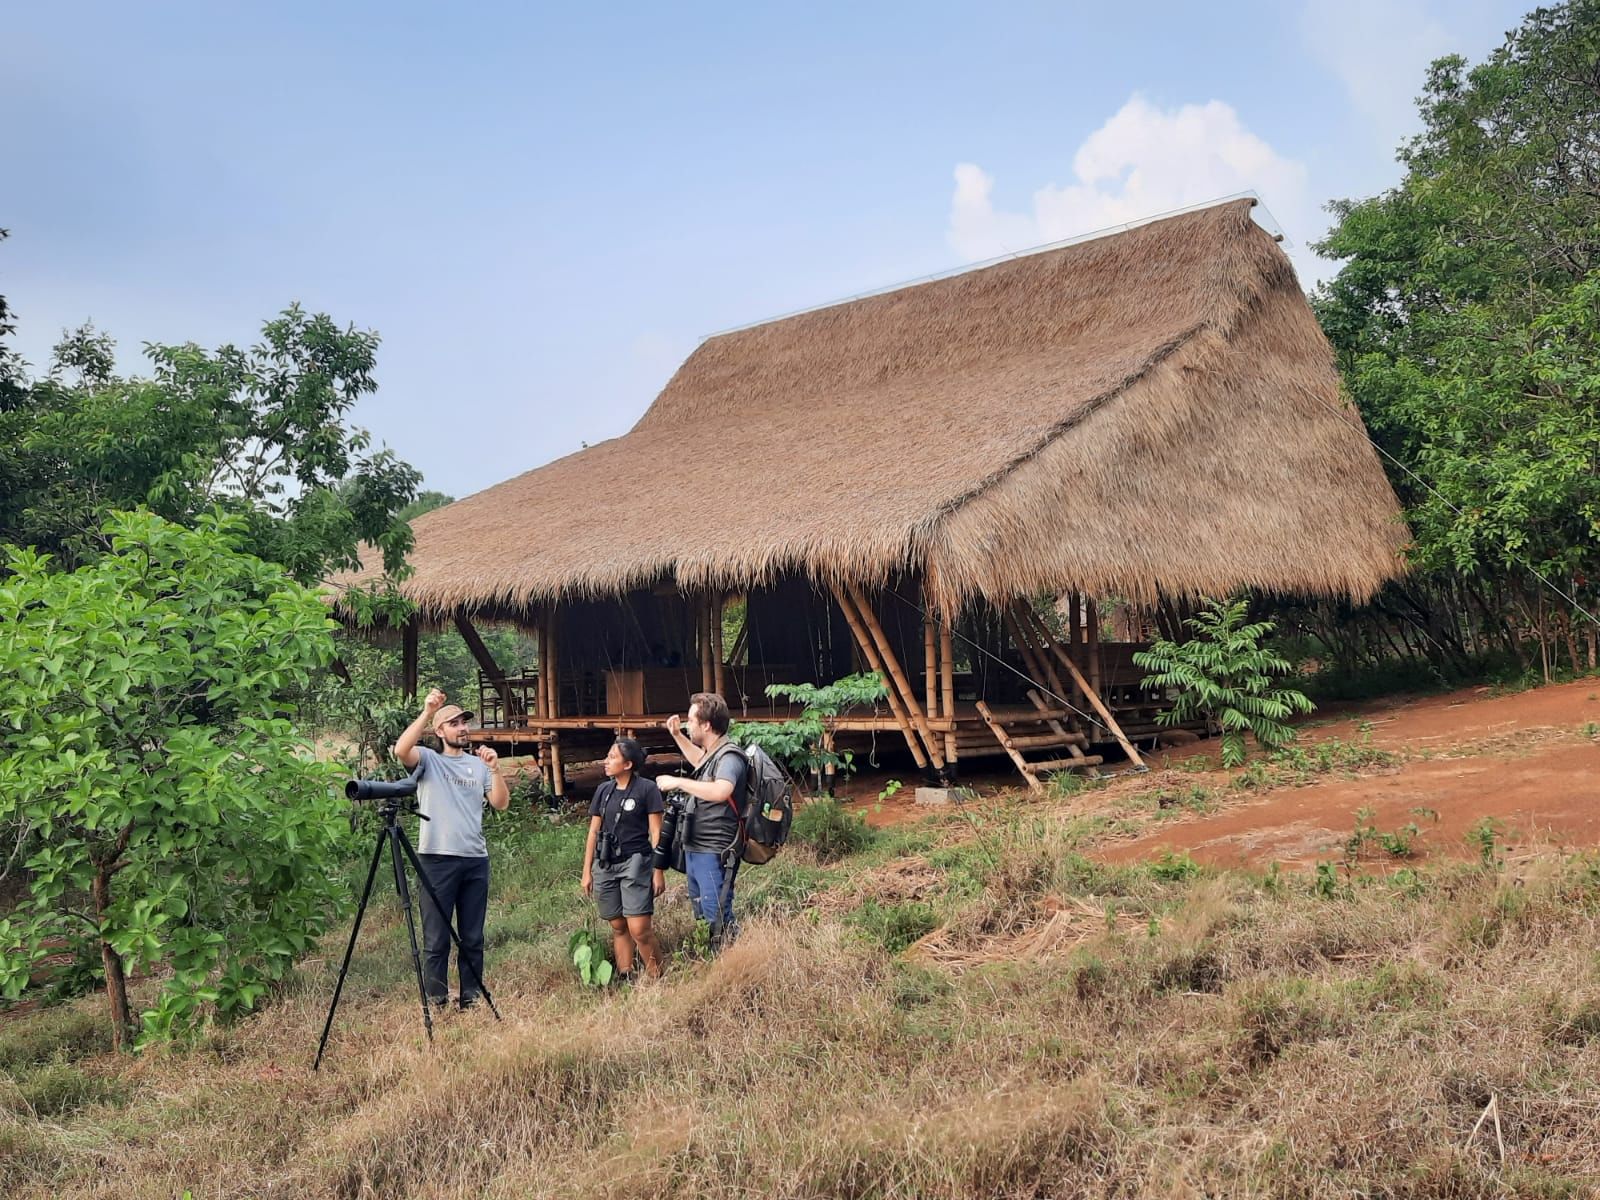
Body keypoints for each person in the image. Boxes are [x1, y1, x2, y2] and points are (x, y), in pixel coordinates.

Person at [393, 687, 510, 1010]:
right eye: (454, 723)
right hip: (436, 859)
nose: (462, 728)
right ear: (440, 732)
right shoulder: (429, 760)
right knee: (437, 939)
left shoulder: (479, 765)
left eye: (464, 722)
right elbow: (401, 750)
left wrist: (496, 770)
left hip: (474, 859)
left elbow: (500, 804)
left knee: (472, 937)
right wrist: (428, 711)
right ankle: (437, 999)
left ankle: (471, 999)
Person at [657, 692, 748, 943]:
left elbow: (721, 790)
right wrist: (676, 736)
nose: (688, 725)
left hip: (715, 849)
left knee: (715, 913)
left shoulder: (729, 757)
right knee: (701, 911)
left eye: (691, 720)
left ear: (707, 725)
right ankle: (714, 958)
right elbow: (700, 761)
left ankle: (731, 962)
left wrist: (678, 782)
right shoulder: (714, 754)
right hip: (697, 846)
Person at [580, 737, 666, 979]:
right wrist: (587, 871)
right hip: (606, 863)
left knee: (639, 928)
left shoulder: (647, 789)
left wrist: (658, 871)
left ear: (628, 764)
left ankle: (657, 977)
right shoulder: (603, 790)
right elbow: (593, 832)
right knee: (618, 925)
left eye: (612, 757)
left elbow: (656, 832)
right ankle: (625, 974)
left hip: (636, 862)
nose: (606, 762)